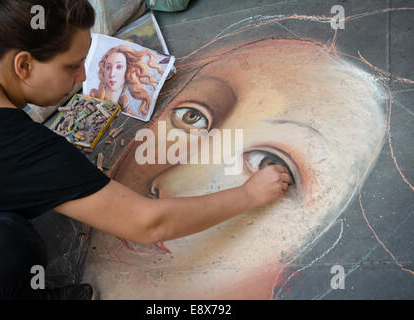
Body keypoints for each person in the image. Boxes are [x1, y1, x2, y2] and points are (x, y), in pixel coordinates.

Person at [0, 0, 291, 300]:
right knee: (10, 243)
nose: (83, 77)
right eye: (72, 66)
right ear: (23, 66)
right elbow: (147, 224)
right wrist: (249, 195)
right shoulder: (17, 146)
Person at [82, 38, 387, 299]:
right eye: (191, 117)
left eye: (269, 163)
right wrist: (248, 194)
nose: (172, 185)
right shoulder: (47, 161)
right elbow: (150, 223)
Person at [89, 45, 163, 119]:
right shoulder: (93, 99)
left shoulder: (126, 107)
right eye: (108, 67)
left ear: (128, 71)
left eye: (119, 67)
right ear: (104, 71)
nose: (112, 74)